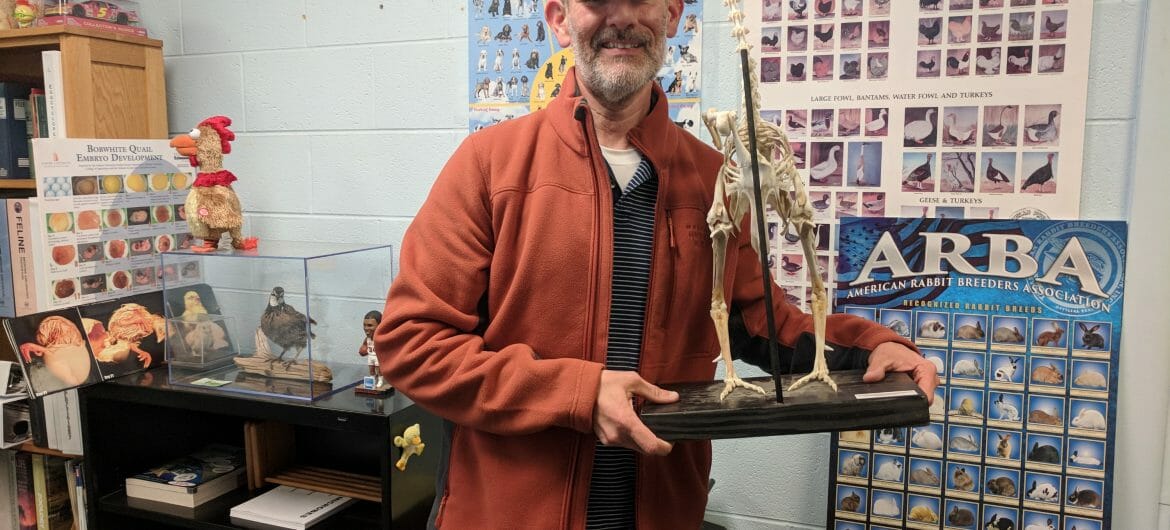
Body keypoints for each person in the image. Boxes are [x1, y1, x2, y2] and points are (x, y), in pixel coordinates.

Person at [377, 0, 939, 528]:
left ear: (672, 14)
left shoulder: (715, 178)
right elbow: (412, 343)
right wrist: (576, 394)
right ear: (559, 18)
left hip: (663, 511)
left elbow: (760, 321)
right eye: (598, 1)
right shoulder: (487, 166)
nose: (622, 17)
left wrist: (868, 348)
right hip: (506, 513)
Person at [357, 310, 384, 387]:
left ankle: (380, 380)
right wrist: (363, 350)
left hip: (378, 357)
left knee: (379, 369)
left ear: (380, 325)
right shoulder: (367, 339)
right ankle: (372, 379)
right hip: (371, 356)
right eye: (364, 325)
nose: (366, 328)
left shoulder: (382, 339)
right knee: (371, 369)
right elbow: (363, 348)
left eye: (370, 325)